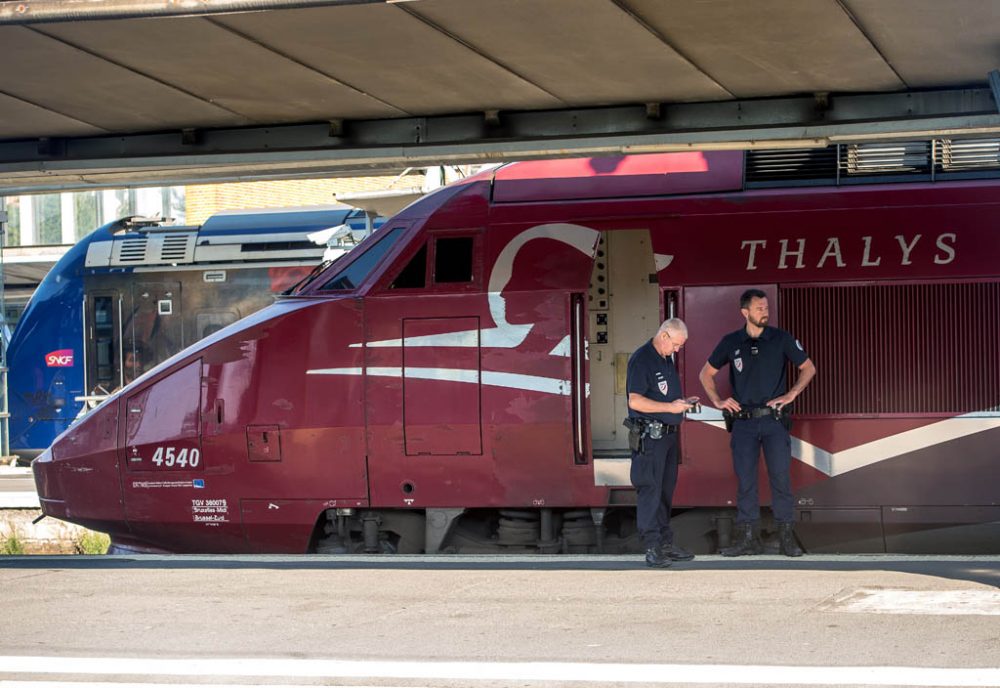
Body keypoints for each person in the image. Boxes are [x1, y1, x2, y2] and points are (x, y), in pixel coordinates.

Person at [698, 289, 816, 557]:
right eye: (760, 308)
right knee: (746, 482)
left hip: (773, 421)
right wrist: (717, 400)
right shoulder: (731, 342)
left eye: (766, 307)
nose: (765, 311)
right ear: (745, 313)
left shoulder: (781, 338)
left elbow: (808, 368)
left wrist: (792, 394)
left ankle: (786, 539)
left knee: (781, 480)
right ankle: (748, 539)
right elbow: (706, 373)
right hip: (743, 424)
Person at [626, 318, 696, 568]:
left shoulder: (665, 359)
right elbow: (635, 401)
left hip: (667, 436)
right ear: (665, 335)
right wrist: (670, 407)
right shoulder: (641, 359)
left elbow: (664, 395)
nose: (677, 351)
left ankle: (665, 543)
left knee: (665, 492)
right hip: (650, 438)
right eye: (676, 345)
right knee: (650, 490)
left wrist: (681, 404)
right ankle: (652, 547)